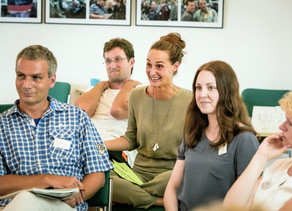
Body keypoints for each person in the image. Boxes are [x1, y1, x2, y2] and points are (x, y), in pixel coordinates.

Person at [0, 45, 112, 211]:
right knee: (25, 199)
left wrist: (76, 197)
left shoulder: (77, 117)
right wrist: (47, 180)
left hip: (65, 206)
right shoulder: (2, 125)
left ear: (52, 80)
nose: (26, 85)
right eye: (21, 76)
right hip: (17, 205)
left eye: (36, 77)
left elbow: (98, 173)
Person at [104, 33, 192, 209]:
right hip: (139, 173)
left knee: (183, 176)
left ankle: (136, 196)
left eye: (159, 66)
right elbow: (131, 138)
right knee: (106, 178)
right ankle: (158, 201)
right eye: (148, 64)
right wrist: (98, 144)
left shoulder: (190, 100)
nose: (152, 72)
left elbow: (195, 147)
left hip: (171, 173)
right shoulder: (136, 95)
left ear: (175, 66)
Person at [163, 60, 259, 211]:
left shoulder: (244, 139)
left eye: (211, 88)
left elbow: (250, 198)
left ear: (226, 91)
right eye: (198, 88)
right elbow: (172, 188)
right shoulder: (192, 134)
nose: (202, 94)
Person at [224, 91, 292, 211]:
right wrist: (261, 156)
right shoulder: (279, 165)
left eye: (290, 123)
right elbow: (230, 207)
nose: (281, 126)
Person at [75, 38, 141, 167]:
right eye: (108, 61)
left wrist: (128, 84)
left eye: (117, 59)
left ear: (131, 62)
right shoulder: (97, 90)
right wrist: (101, 85)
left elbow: (117, 111)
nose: (112, 65)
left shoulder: (139, 91)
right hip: (84, 145)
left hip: (113, 151)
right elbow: (81, 111)